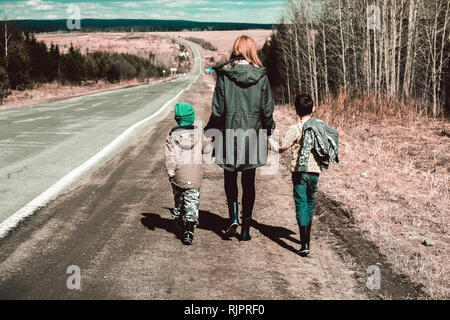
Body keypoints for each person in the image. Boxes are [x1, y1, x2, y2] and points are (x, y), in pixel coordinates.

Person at [204, 35, 276, 241]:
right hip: (252, 134)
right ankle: (245, 229)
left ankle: (233, 217)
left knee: (229, 176)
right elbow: (267, 110)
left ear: (236, 50)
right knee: (249, 180)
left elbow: (217, 110)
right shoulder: (261, 77)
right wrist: (269, 129)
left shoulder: (225, 76)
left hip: (228, 132)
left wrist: (211, 130)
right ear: (252, 51)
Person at [269, 94, 339, 256]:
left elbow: (281, 147)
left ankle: (304, 243)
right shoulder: (320, 126)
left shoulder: (295, 129)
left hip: (299, 171)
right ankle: (306, 240)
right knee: (309, 203)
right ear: (313, 109)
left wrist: (268, 141)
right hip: (315, 172)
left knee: (301, 204)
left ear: (296, 110)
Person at [165, 102, 211, 245]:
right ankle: (189, 230)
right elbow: (208, 148)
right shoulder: (199, 134)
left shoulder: (172, 136)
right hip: (194, 174)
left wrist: (170, 168)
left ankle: (179, 221)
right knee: (192, 201)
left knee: (179, 200)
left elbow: (169, 155)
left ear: (177, 119)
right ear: (192, 118)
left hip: (178, 174)